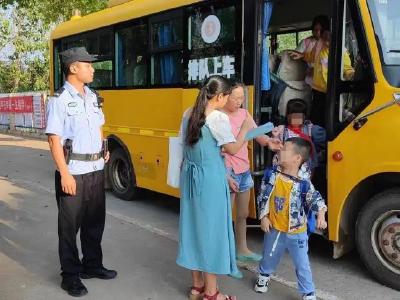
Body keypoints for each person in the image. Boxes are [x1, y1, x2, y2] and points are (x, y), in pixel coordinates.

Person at [46, 47, 116, 297]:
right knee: (69, 228)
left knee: (95, 223)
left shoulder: (92, 96)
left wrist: (103, 148)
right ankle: (70, 276)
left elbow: (99, 127)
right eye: (88, 64)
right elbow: (54, 140)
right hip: (73, 171)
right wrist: (64, 174)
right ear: (74, 68)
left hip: (96, 170)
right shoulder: (59, 100)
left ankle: (92, 266)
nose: (93, 68)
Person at [177, 75, 254, 300]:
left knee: (192, 229)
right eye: (229, 96)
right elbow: (231, 149)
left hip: (190, 177)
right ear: (219, 96)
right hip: (209, 181)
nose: (230, 100)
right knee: (212, 232)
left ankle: (196, 287)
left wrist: (224, 174)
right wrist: (245, 129)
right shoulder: (218, 118)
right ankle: (212, 293)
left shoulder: (188, 113)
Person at [254, 137, 327, 300]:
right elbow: (262, 197)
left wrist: (321, 215)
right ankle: (264, 275)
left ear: (297, 159)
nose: (280, 150)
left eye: (285, 149)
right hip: (275, 228)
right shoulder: (272, 176)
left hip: (297, 232)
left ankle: (308, 291)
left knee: (302, 264)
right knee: (269, 255)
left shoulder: (303, 184)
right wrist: (264, 217)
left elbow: (316, 200)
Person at [222, 82, 282, 273]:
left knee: (242, 214)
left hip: (244, 170)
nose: (240, 102)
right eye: (236, 98)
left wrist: (269, 142)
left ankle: (242, 248)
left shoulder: (243, 114)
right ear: (225, 96)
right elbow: (226, 146)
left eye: (242, 98)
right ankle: (224, 256)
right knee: (224, 217)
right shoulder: (219, 118)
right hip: (227, 171)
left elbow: (256, 133)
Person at [271, 98, 326, 180]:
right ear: (288, 115)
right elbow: (274, 147)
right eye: (293, 116)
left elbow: (327, 140)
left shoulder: (311, 129)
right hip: (285, 169)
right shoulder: (281, 130)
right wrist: (275, 137)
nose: (295, 119)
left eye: (298, 116)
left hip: (305, 169)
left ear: (304, 117)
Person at [311, 30, 354, 126]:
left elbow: (347, 68)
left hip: (332, 89)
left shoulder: (342, 52)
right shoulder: (319, 49)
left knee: (330, 115)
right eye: (324, 39)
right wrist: (302, 55)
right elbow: (310, 56)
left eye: (329, 40)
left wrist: (351, 74)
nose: (327, 42)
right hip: (317, 89)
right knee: (316, 116)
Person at [290, 15, 330, 87]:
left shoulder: (329, 43)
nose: (318, 32)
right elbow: (295, 59)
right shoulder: (306, 42)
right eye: (315, 30)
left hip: (326, 82)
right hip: (310, 82)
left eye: (321, 30)